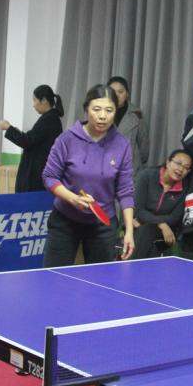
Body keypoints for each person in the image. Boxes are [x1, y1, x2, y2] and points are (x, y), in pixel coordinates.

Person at [41, 84, 135, 266]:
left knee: (101, 279)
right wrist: (73, 199)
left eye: (109, 110)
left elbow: (125, 191)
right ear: (86, 109)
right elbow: (49, 177)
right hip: (65, 221)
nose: (102, 116)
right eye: (96, 109)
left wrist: (129, 231)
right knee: (54, 276)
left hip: (103, 226)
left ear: (115, 112)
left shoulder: (122, 145)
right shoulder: (67, 139)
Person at [0, 84, 64, 192]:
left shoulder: (49, 119)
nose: (33, 105)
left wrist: (8, 128)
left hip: (37, 176)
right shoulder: (50, 118)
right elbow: (32, 139)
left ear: (43, 100)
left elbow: (27, 141)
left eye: (35, 100)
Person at [132, 149, 193, 258]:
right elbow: (139, 210)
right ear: (168, 162)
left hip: (166, 232)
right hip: (141, 225)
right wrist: (161, 223)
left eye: (186, 167)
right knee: (146, 232)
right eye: (178, 163)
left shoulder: (186, 188)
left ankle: (132, 266)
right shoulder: (146, 176)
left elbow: (174, 217)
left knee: (147, 230)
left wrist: (157, 223)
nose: (181, 169)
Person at [107, 76, 149, 175]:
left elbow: (143, 147)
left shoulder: (136, 114)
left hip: (130, 168)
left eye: (120, 92)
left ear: (127, 94)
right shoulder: (98, 112)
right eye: (113, 92)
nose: (116, 95)